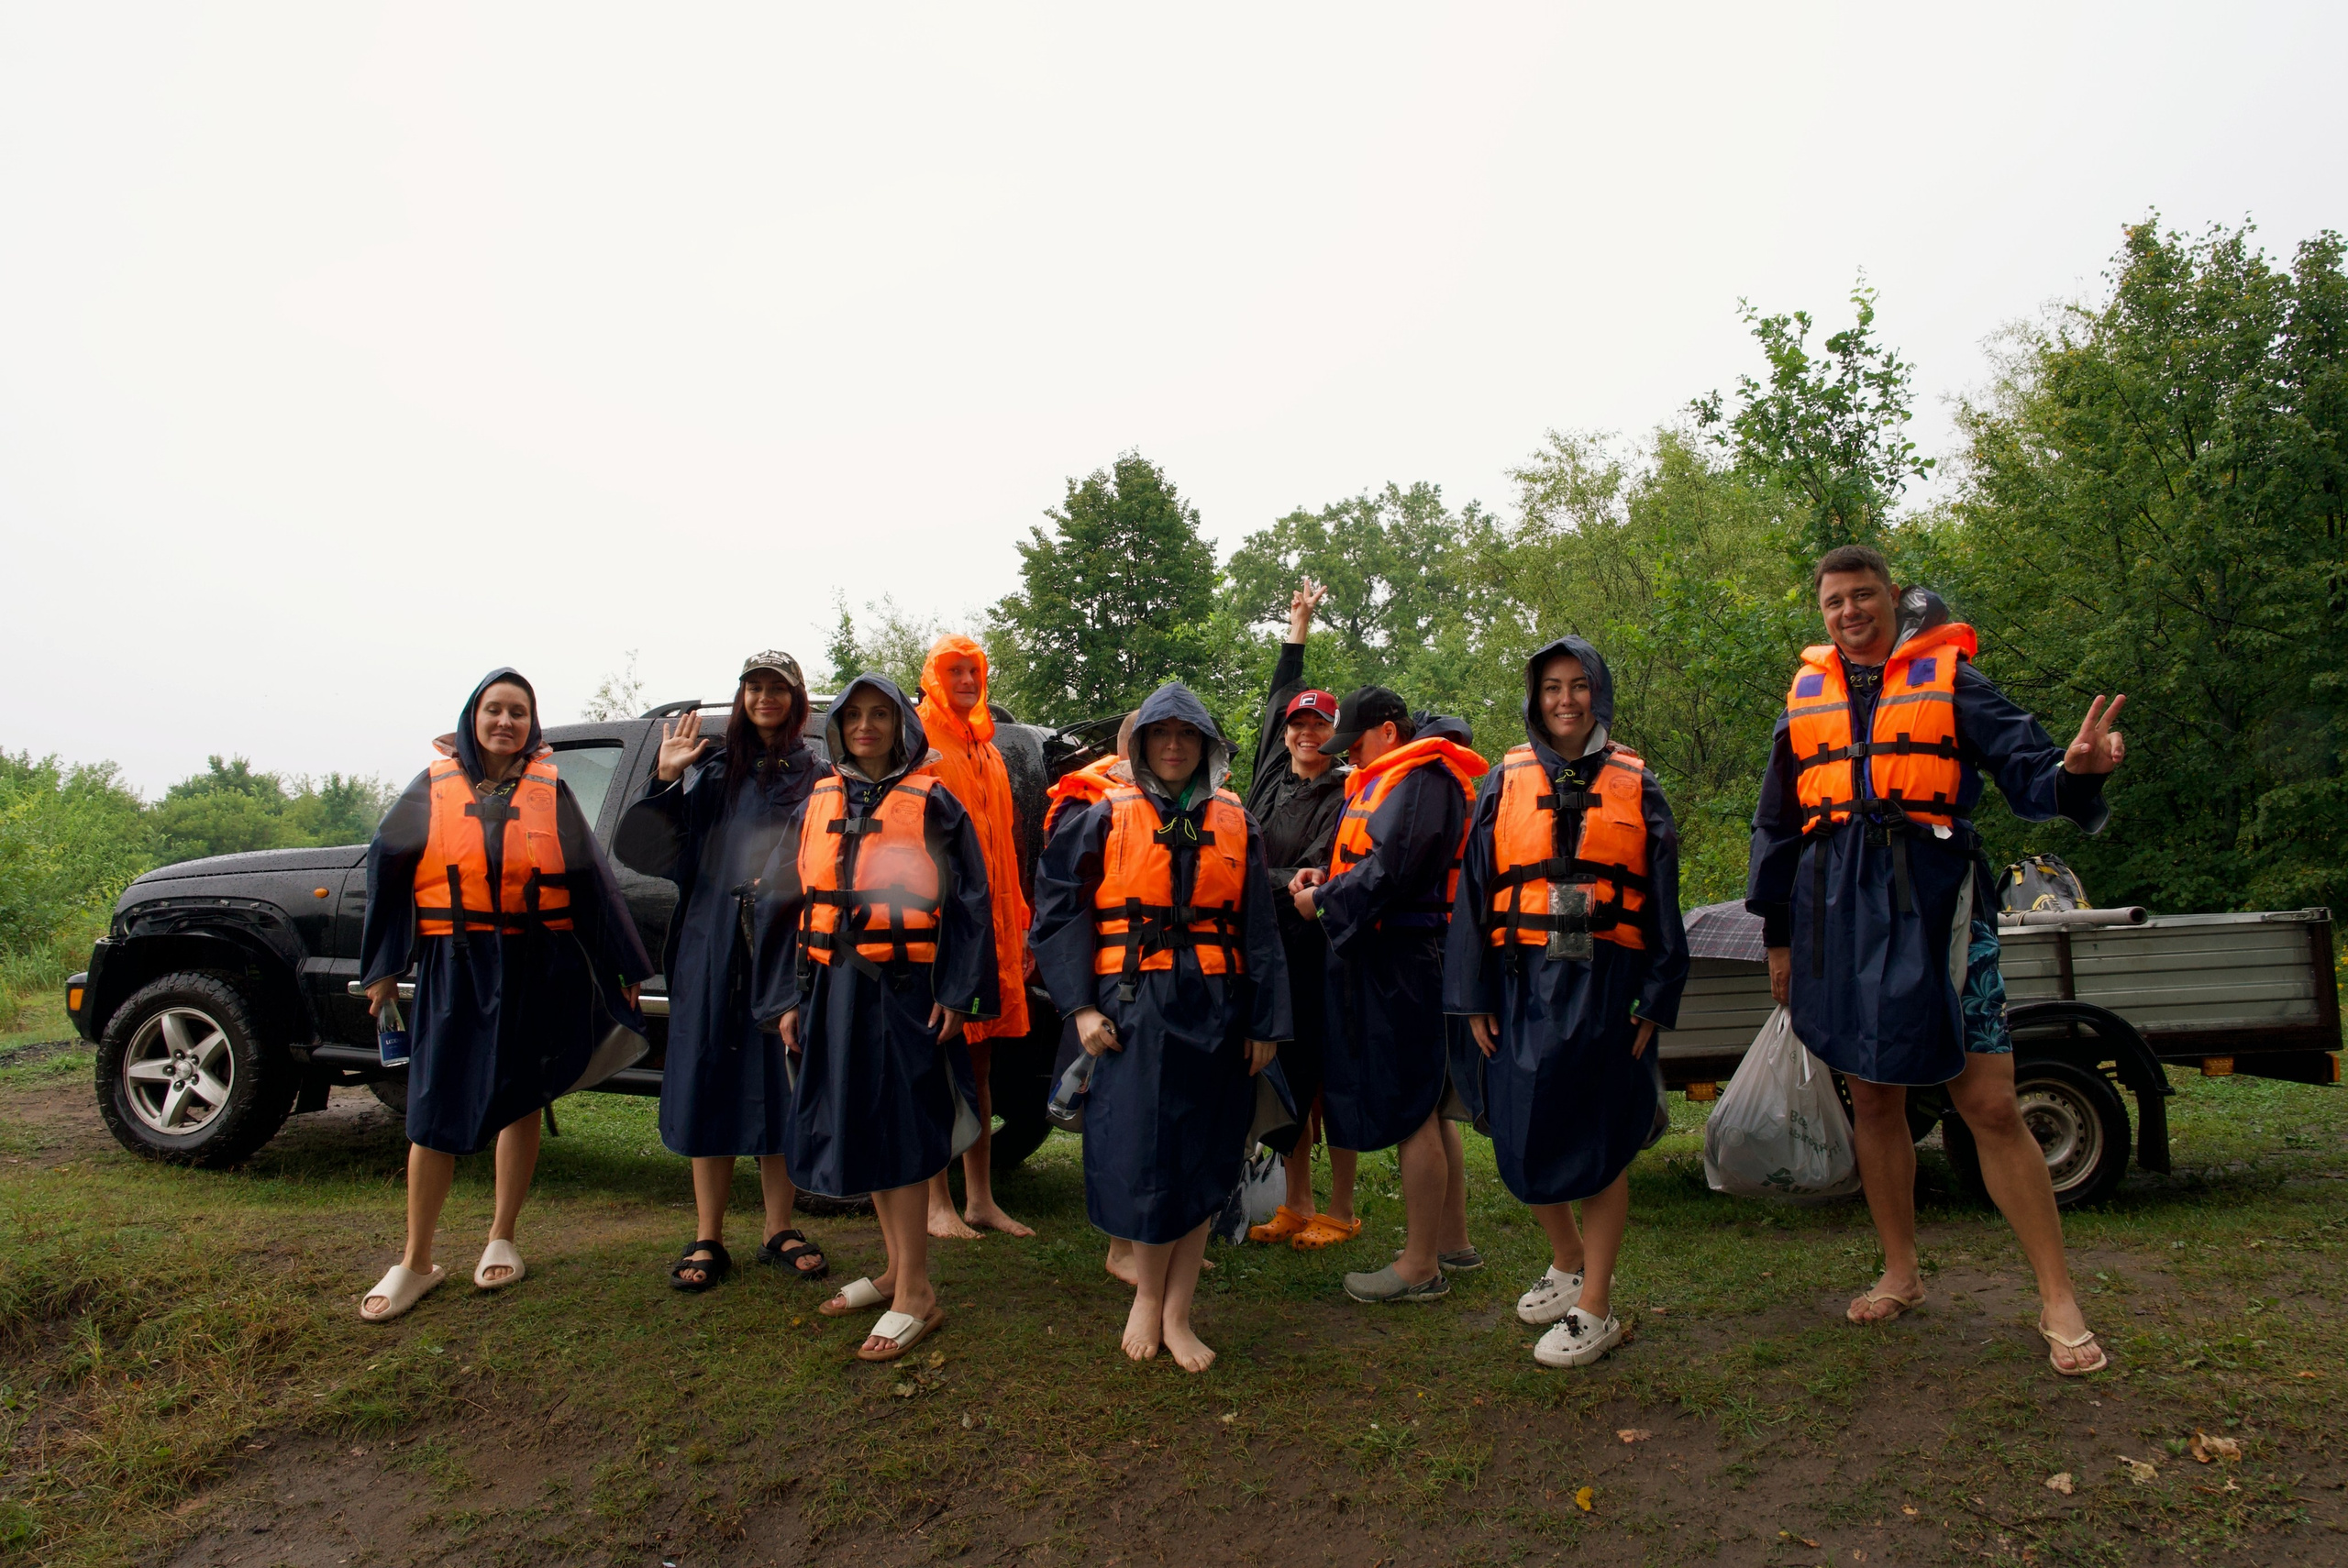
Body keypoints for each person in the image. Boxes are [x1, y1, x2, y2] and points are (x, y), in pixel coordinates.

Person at [1746, 545, 2126, 1376]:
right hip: (1839, 915)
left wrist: (2077, 771)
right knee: (1874, 1100)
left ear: (1892, 599)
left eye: (1864, 596)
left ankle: (2059, 1298)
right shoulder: (1803, 702)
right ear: (1823, 614)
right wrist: (1779, 938)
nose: (1850, 613)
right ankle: (1901, 1272)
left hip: (1940, 900)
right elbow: (1776, 830)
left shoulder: (1949, 680)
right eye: (1835, 602)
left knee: (1989, 1102)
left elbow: (2031, 768)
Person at [357, 668, 654, 1323]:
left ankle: (502, 1235)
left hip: (533, 961)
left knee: (523, 1092)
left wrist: (625, 962)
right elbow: (388, 865)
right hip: (455, 962)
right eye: (495, 710)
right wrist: (381, 965)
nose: (506, 723)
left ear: (532, 723)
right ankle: (416, 1260)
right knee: (433, 1103)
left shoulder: (549, 788)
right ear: (473, 716)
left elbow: (591, 882)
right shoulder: (431, 786)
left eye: (518, 713)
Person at [1030, 682, 1290, 1371]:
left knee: (1204, 1157)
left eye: (1186, 735)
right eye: (1160, 734)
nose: (1173, 746)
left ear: (1205, 745)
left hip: (1217, 1009)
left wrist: (1265, 1021)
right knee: (1144, 1157)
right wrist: (1080, 1007)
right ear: (1142, 743)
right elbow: (1057, 913)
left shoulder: (1239, 821)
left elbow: (1260, 930)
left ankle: (1179, 1313)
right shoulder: (1099, 815)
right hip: (1132, 1009)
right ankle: (1147, 1296)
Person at [1447, 637, 1689, 1366]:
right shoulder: (1503, 780)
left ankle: (1597, 1304)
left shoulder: (1638, 784)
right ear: (1534, 696)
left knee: (1599, 1140)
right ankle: (1567, 1257)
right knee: (1522, 1130)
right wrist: (1472, 995)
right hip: (1522, 980)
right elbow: (1475, 893)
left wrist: (1657, 994)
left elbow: (1664, 901)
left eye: (1579, 686)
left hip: (1607, 985)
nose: (1565, 700)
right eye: (1552, 687)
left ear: (1599, 693)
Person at [752, 674, 998, 1363]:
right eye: (853, 715)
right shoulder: (820, 800)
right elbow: (784, 905)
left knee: (901, 1132)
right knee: (867, 1127)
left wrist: (957, 991)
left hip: (905, 990)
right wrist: (787, 1001)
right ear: (837, 727)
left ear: (902, 726)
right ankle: (896, 1270)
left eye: (879, 715)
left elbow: (970, 904)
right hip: (833, 990)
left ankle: (917, 1294)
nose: (865, 726)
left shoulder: (935, 802)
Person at [613, 651, 825, 1292]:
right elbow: (649, 853)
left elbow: (829, 854)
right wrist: (664, 782)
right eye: (754, 687)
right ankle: (708, 1234)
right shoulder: (708, 770)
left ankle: (777, 1228)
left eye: (777, 688)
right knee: (708, 1073)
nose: (765, 697)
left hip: (781, 946)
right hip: (710, 943)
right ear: (742, 697)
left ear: (795, 698)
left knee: (778, 1079)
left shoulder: (816, 773)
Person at [1290, 688, 1488, 1304]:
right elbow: (1377, 861)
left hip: (1405, 964)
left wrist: (1321, 904)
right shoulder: (1407, 780)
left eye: (1356, 742)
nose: (1348, 755)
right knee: (1428, 1104)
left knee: (1413, 1110)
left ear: (1387, 731)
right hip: (1406, 959)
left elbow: (1395, 871)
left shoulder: (1424, 780)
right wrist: (1328, 876)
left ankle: (1419, 1266)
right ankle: (1452, 1243)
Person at [1239, 580, 1360, 1252]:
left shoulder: (1345, 792)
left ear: (1334, 735)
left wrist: (1262, 877)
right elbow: (1276, 697)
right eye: (1299, 724)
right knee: (1284, 1075)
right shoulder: (1268, 778)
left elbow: (1320, 872)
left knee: (1325, 1079)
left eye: (1319, 724)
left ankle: (1339, 1209)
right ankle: (1296, 1202)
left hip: (1317, 953)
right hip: (1268, 951)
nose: (1306, 732)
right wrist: (1297, 627)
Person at [916, 635, 1037, 1240]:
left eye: (973, 670)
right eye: (953, 670)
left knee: (981, 1068)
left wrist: (1019, 925)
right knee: (939, 1064)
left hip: (992, 934)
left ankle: (980, 1199)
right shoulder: (920, 739)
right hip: (941, 934)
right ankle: (936, 1204)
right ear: (933, 675)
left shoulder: (985, 747)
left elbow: (1004, 852)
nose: (965, 679)